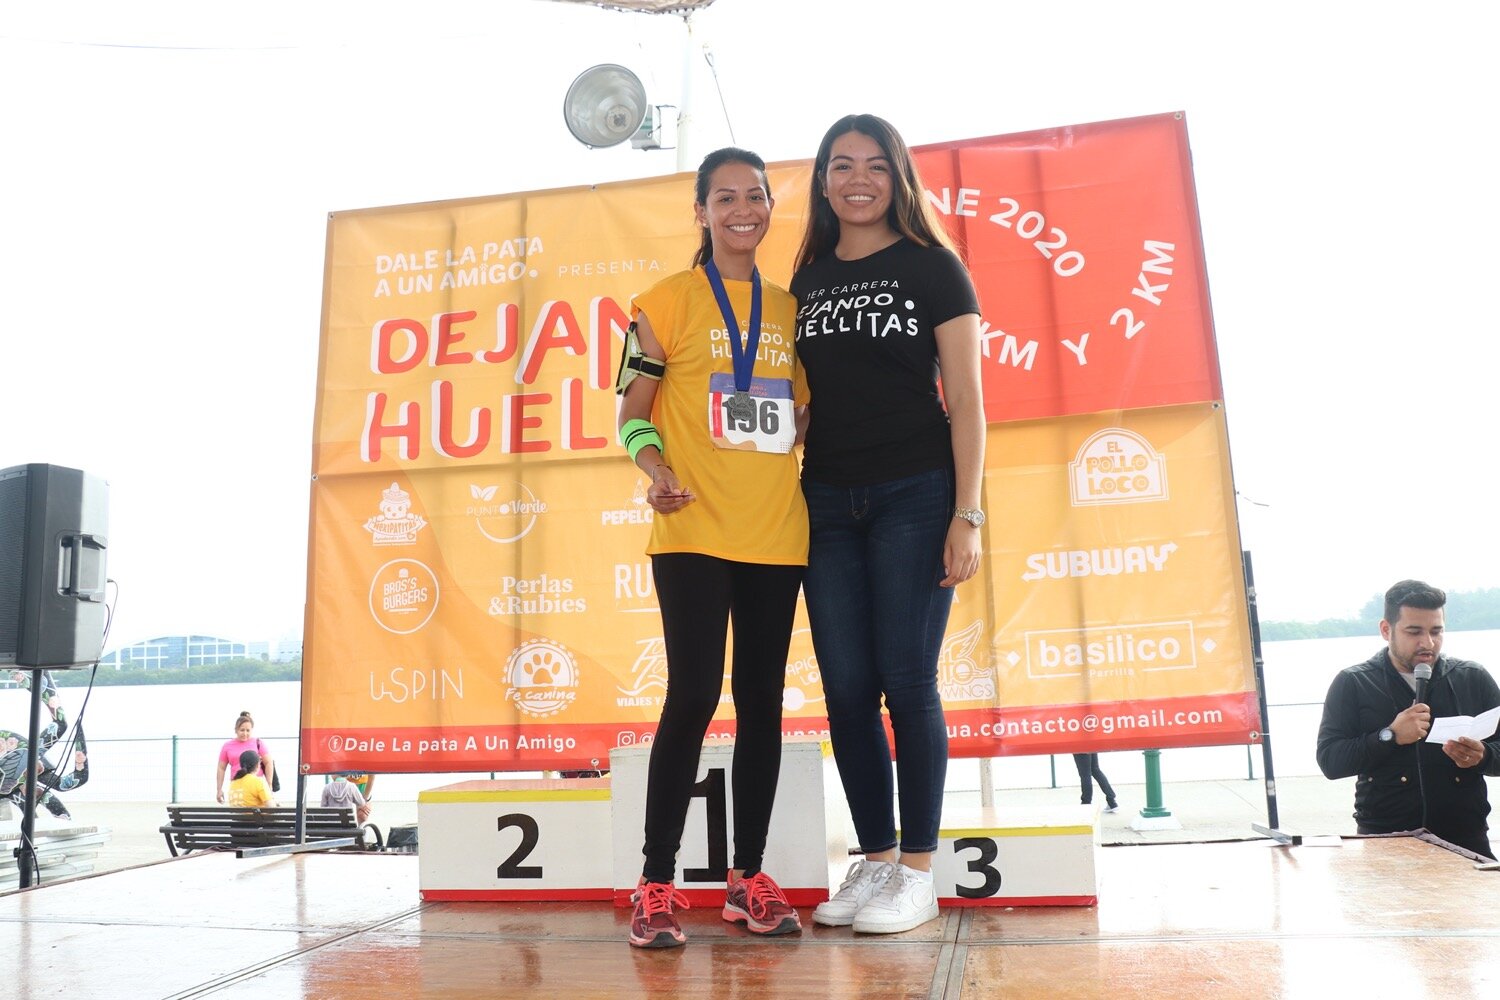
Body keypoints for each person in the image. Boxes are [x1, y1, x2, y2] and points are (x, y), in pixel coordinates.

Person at [791, 114, 985, 935]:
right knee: (845, 691)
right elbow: (798, 402)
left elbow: (967, 400)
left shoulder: (933, 267)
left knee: (907, 683)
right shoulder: (805, 280)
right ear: (823, 182)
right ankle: (874, 861)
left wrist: (967, 513)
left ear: (898, 178)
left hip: (916, 491)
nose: (858, 179)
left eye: (875, 165)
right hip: (826, 500)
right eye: (842, 165)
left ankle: (917, 873)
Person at [615, 146, 809, 948]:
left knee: (762, 703)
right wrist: (655, 469)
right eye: (724, 197)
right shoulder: (663, 302)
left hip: (777, 532)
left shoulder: (792, 309)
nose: (742, 209)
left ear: (769, 208)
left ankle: (746, 880)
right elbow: (631, 416)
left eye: (754, 196)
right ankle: (656, 883)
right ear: (701, 211)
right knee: (693, 696)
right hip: (692, 527)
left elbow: (803, 415)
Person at [1316, 580, 1500, 860]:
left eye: (1436, 631)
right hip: (1385, 842)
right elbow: (1330, 761)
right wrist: (1390, 736)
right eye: (1414, 632)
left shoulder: (1472, 678)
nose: (1428, 643)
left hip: (1466, 839)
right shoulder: (1354, 682)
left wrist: (1483, 756)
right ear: (1386, 630)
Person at [215, 711, 275, 803]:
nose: (245, 733)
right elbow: (221, 768)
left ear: (252, 730)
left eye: (248, 730)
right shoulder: (227, 746)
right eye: (242, 730)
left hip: (256, 785)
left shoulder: (258, 743)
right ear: (236, 730)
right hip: (237, 786)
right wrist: (219, 789)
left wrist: (269, 785)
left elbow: (268, 762)